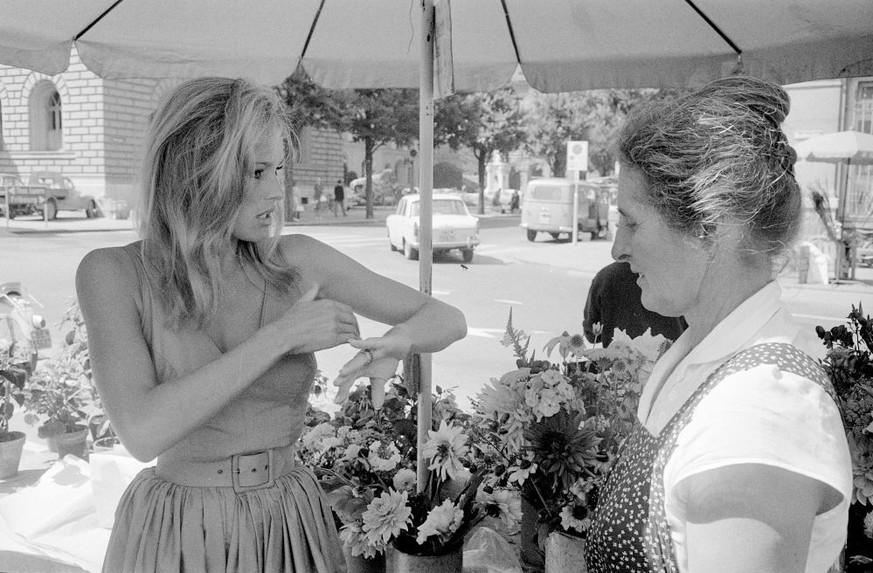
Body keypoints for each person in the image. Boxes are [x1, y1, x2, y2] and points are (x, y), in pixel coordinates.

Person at [75, 77, 467, 573]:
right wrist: (283, 335)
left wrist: (398, 340)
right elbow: (142, 431)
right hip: (181, 528)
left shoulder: (296, 260)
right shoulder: (112, 273)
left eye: (278, 168)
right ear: (194, 171)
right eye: (256, 171)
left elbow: (448, 319)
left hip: (288, 520)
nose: (276, 191)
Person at [584, 76, 851, 573]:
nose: (618, 249)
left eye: (633, 222)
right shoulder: (703, 351)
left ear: (712, 226)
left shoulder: (759, 413)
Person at [583, 260, 686, 347]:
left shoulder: (605, 276)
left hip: (620, 363)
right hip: (672, 362)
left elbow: (592, 335)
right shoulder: (675, 273)